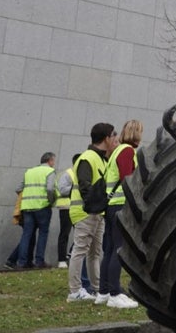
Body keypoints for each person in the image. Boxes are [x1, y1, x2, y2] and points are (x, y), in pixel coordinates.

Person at [67, 123, 117, 303]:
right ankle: (74, 291)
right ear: (106, 138)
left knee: (95, 253)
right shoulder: (88, 158)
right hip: (85, 212)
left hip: (96, 212)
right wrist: (95, 205)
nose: (116, 139)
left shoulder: (101, 159)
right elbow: (85, 187)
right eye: (114, 135)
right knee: (80, 250)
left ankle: (96, 289)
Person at [97, 120, 142, 309]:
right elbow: (128, 179)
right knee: (118, 249)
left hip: (111, 206)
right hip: (120, 206)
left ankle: (104, 292)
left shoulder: (116, 150)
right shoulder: (127, 151)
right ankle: (115, 293)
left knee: (109, 249)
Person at [14, 153, 56, 269]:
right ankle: (39, 262)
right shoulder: (50, 172)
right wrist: (51, 201)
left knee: (26, 234)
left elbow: (18, 189)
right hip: (42, 207)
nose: (54, 163)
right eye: (54, 161)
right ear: (50, 161)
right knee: (43, 234)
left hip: (27, 207)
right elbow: (50, 188)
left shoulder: (29, 171)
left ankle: (22, 262)